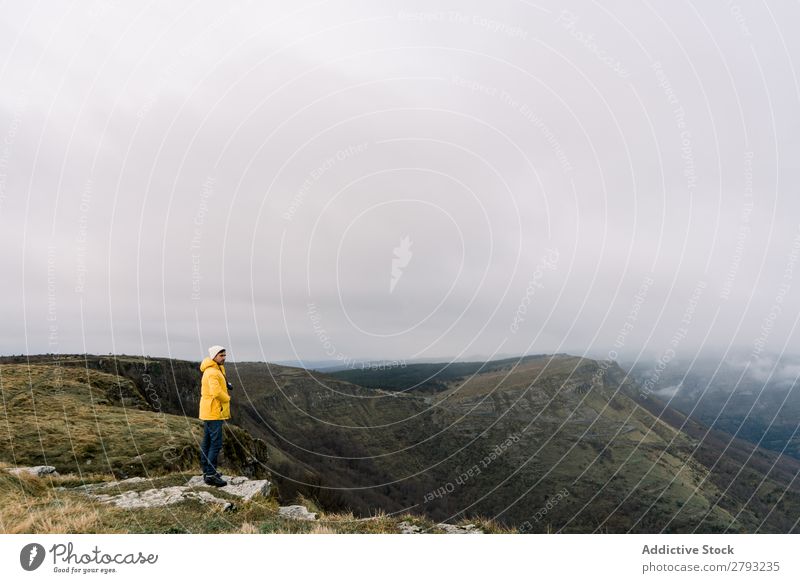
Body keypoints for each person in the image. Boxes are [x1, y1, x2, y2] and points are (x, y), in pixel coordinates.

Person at [199, 345, 231, 487]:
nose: (223, 358)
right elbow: (216, 393)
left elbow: (218, 385)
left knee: (207, 442)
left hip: (209, 411)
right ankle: (211, 475)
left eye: (224, 355)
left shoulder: (215, 369)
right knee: (215, 443)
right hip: (214, 411)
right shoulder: (212, 372)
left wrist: (226, 384)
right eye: (221, 355)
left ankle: (207, 471)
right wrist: (227, 398)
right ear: (214, 356)